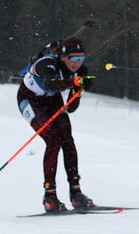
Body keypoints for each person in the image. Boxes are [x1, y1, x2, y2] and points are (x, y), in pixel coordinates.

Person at [17, 35, 94, 211]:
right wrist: (73, 82)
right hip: (29, 99)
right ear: (63, 57)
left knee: (67, 138)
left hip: (52, 100)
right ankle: (49, 196)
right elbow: (48, 83)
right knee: (52, 140)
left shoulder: (80, 71)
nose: (77, 63)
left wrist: (78, 90)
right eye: (74, 59)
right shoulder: (47, 63)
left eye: (81, 58)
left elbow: (71, 107)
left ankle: (76, 193)